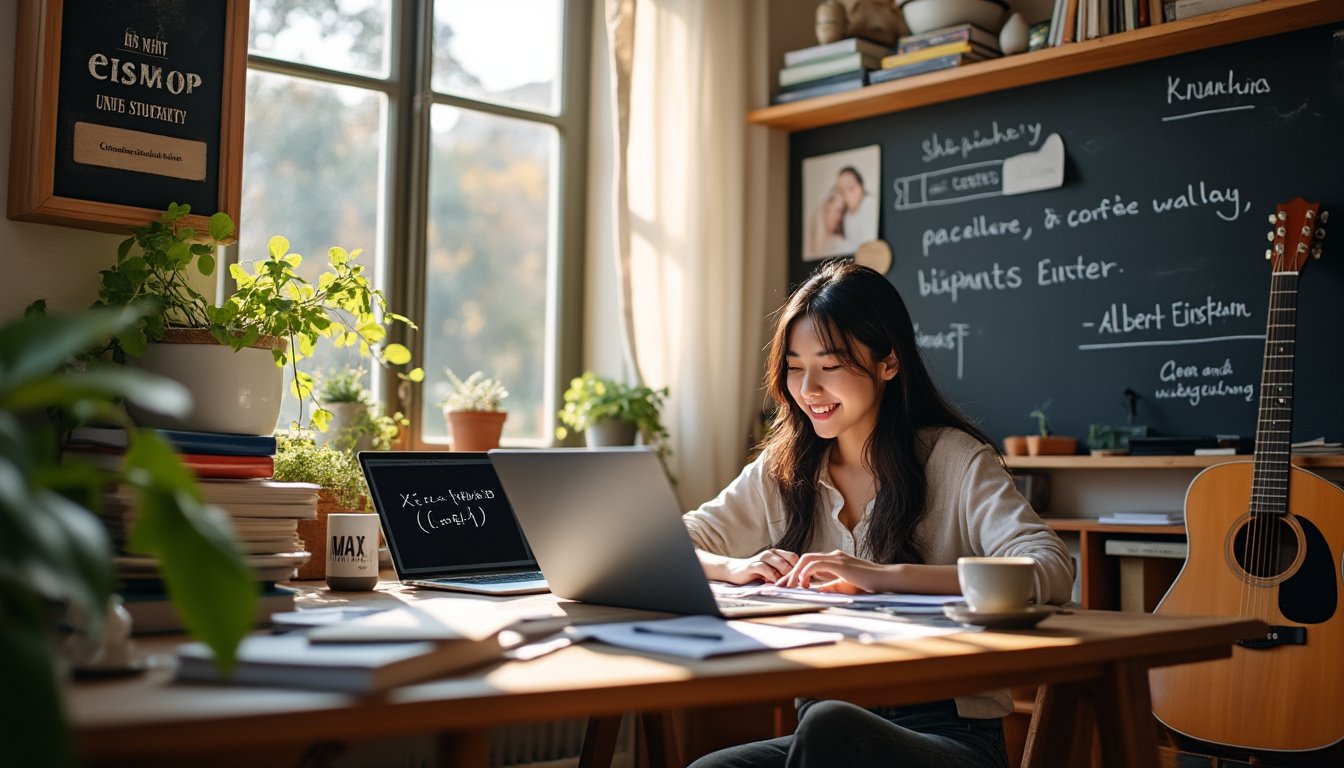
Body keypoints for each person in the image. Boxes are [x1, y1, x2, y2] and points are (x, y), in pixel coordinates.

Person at [683, 261, 1073, 768]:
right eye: (795, 367)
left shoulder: (952, 459)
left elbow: (1051, 567)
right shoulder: (784, 469)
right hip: (826, 731)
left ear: (888, 362)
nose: (808, 388)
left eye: (830, 364)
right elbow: (672, 543)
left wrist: (884, 578)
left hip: (948, 734)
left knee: (830, 728)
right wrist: (733, 566)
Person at [835, 165, 878, 253]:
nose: (846, 195)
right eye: (841, 190)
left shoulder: (872, 205)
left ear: (861, 187)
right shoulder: (846, 216)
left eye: (850, 188)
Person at [805, 187, 848, 259]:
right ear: (826, 208)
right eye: (837, 210)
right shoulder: (813, 242)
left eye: (841, 211)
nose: (839, 217)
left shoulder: (840, 243)